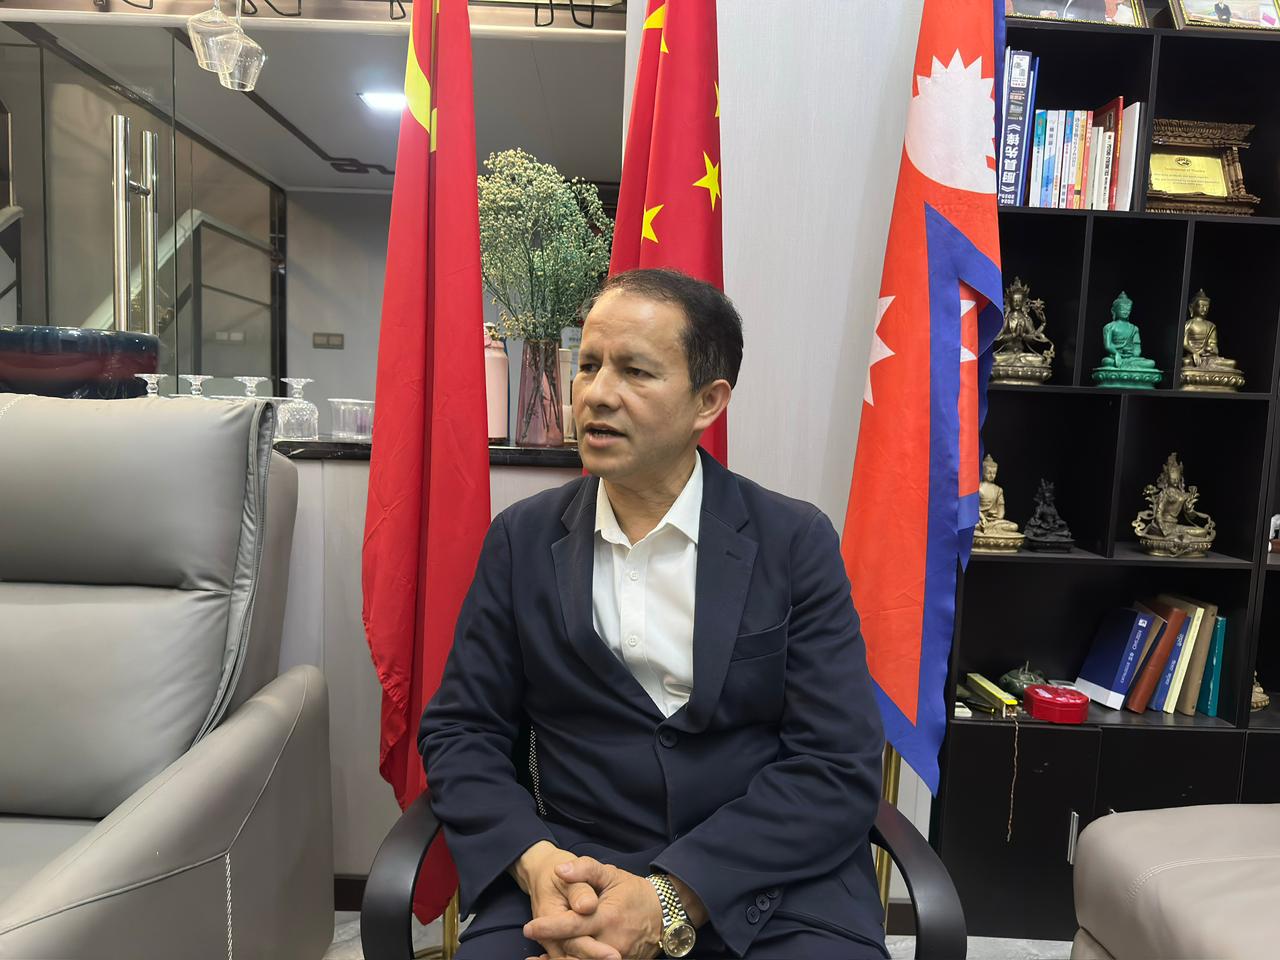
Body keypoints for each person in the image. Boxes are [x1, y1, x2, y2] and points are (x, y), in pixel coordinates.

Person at [421, 268, 887, 960]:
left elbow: (836, 761)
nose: (597, 393)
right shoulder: (521, 540)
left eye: (635, 372)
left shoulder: (793, 542)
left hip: (769, 884)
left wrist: (671, 897)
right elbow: (462, 729)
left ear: (709, 401)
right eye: (588, 365)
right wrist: (535, 862)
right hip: (575, 876)